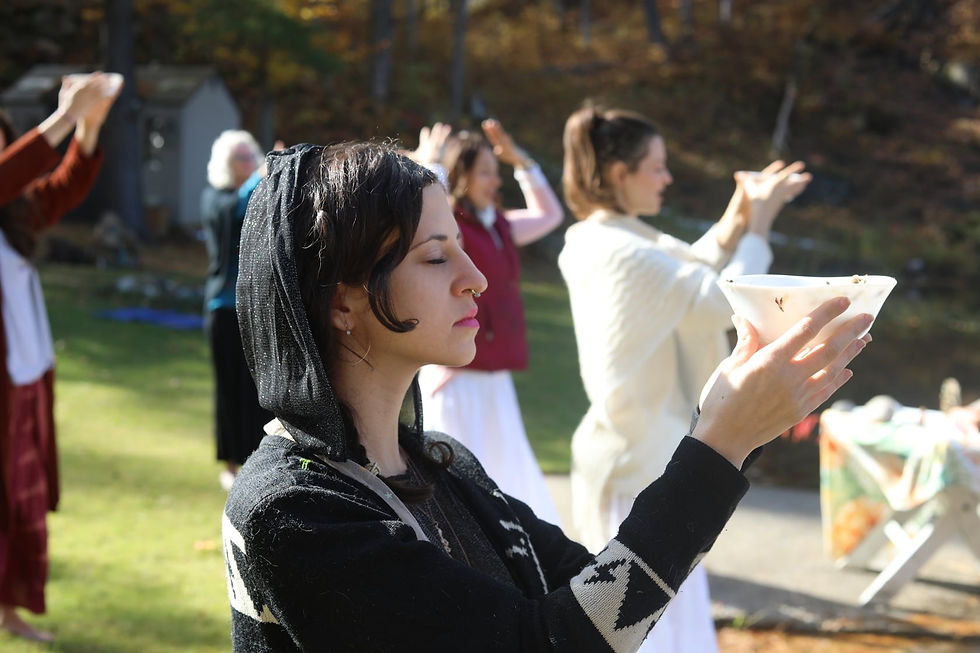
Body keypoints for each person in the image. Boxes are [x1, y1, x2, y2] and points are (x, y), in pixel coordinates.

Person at [222, 140, 871, 651]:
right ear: (343, 300)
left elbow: (606, 595)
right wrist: (719, 443)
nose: (475, 279)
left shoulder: (446, 467)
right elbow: (558, 642)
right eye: (436, 257)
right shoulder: (296, 511)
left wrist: (738, 432)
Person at [557, 105, 812, 652]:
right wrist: (759, 222)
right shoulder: (618, 251)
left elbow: (690, 265)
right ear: (620, 173)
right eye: (657, 166)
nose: (667, 178)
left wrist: (740, 212)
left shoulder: (611, 239)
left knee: (664, 627)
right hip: (635, 467)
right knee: (645, 635)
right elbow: (718, 299)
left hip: (644, 457)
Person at [0, 72, 119, 643]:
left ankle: (10, 612)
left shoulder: (16, 217)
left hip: (22, 377)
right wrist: (64, 116)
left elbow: (68, 184)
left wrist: (87, 129)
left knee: (19, 502)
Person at [416, 119, 564, 524]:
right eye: (485, 171)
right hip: (458, 374)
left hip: (495, 375)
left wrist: (524, 163)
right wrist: (431, 163)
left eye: (495, 172)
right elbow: (426, 203)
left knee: (507, 473)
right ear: (461, 174)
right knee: (457, 477)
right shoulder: (450, 227)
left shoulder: (500, 225)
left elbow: (550, 215)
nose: (494, 180)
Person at [201, 130, 274, 491]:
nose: (249, 165)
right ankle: (230, 463)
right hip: (223, 309)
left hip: (253, 309)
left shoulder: (258, 197)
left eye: (252, 157)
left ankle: (259, 458)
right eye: (241, 159)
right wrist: (260, 178)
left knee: (258, 391)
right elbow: (231, 214)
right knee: (229, 390)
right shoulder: (215, 198)